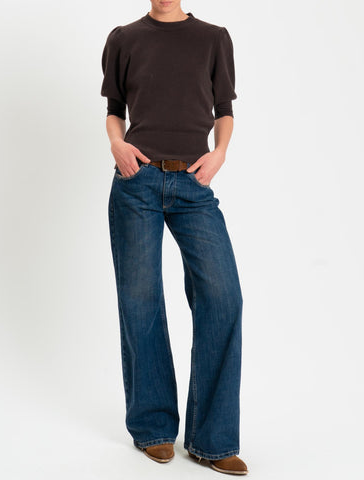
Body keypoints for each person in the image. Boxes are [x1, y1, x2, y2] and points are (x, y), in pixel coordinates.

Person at [100, 0, 247, 475]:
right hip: (136, 182)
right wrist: (117, 144)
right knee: (140, 301)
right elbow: (114, 111)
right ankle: (153, 429)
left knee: (223, 296)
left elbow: (224, 110)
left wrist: (219, 153)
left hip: (193, 183)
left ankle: (212, 440)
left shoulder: (213, 38)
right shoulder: (124, 38)